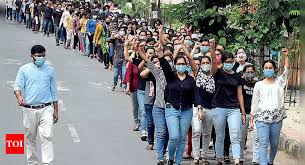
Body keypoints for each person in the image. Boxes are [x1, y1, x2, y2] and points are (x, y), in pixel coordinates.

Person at [13, 45, 59, 165]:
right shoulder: (24, 69)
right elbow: (17, 86)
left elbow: (54, 91)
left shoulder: (50, 70)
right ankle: (33, 163)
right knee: (30, 138)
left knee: (47, 135)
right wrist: (19, 96)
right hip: (29, 109)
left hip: (46, 108)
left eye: (43, 55)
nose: (41, 58)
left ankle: (47, 163)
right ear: (32, 56)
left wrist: (56, 110)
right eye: (39, 56)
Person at [249, 48, 290, 165]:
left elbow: (286, 70)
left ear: (274, 69)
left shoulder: (280, 82)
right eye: (266, 68)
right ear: (263, 70)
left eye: (270, 68)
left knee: (275, 143)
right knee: (263, 143)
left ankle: (270, 162)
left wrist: (287, 57)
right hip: (262, 118)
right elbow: (255, 102)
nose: (268, 70)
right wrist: (252, 119)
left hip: (277, 118)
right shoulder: (258, 84)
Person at [162, 40, 196, 165]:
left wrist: (199, 107)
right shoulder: (171, 76)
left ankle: (177, 162)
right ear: (175, 65)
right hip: (172, 109)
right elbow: (165, 66)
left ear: (186, 66)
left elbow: (195, 95)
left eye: (183, 64)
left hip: (187, 110)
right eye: (179, 64)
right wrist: (161, 54)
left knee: (182, 139)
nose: (181, 66)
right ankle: (170, 157)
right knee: (174, 136)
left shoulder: (191, 80)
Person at [212, 51, 246, 165]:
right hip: (219, 107)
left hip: (233, 108)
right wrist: (212, 48)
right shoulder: (217, 73)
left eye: (231, 61)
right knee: (220, 135)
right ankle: (220, 158)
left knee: (235, 134)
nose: (229, 63)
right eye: (227, 62)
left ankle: (236, 159)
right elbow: (213, 63)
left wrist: (243, 112)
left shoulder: (237, 76)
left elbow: (240, 95)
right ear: (222, 62)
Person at [190, 39, 217, 165]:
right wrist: (189, 47)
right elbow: (190, 60)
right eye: (203, 62)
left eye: (208, 62)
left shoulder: (213, 73)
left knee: (207, 134)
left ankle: (204, 156)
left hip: (210, 108)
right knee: (196, 131)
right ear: (200, 64)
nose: (205, 64)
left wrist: (212, 47)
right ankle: (196, 157)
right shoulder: (197, 72)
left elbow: (214, 59)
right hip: (197, 107)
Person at [239, 64, 257, 165]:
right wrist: (242, 112)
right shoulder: (241, 82)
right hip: (243, 113)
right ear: (244, 73)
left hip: (255, 113)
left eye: (252, 71)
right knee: (241, 136)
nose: (250, 74)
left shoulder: (258, 83)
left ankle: (256, 159)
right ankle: (241, 157)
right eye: (247, 72)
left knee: (256, 137)